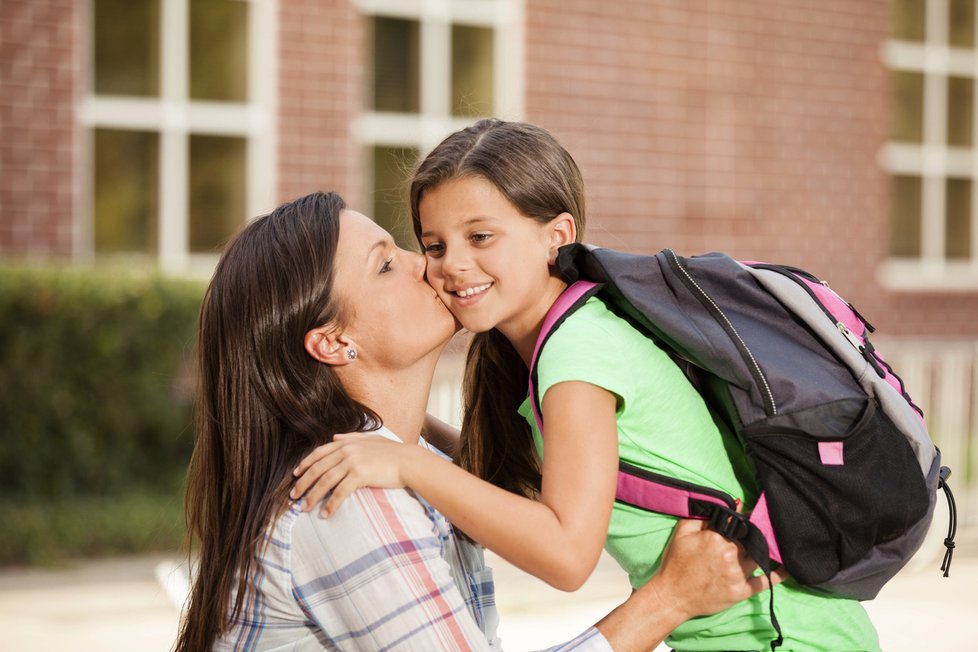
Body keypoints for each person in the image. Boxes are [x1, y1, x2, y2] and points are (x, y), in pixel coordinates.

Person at [291, 120, 882, 651]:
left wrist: (408, 464)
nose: (449, 266)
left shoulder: (576, 358)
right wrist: (411, 439)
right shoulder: (563, 338)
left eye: (481, 237)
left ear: (557, 233)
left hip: (786, 638)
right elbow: (519, 498)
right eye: (435, 244)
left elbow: (567, 556)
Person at [173, 191, 775, 652]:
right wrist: (668, 600)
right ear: (333, 342)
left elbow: (527, 502)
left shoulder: (394, 462)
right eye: (386, 265)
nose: (427, 266)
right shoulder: (350, 497)